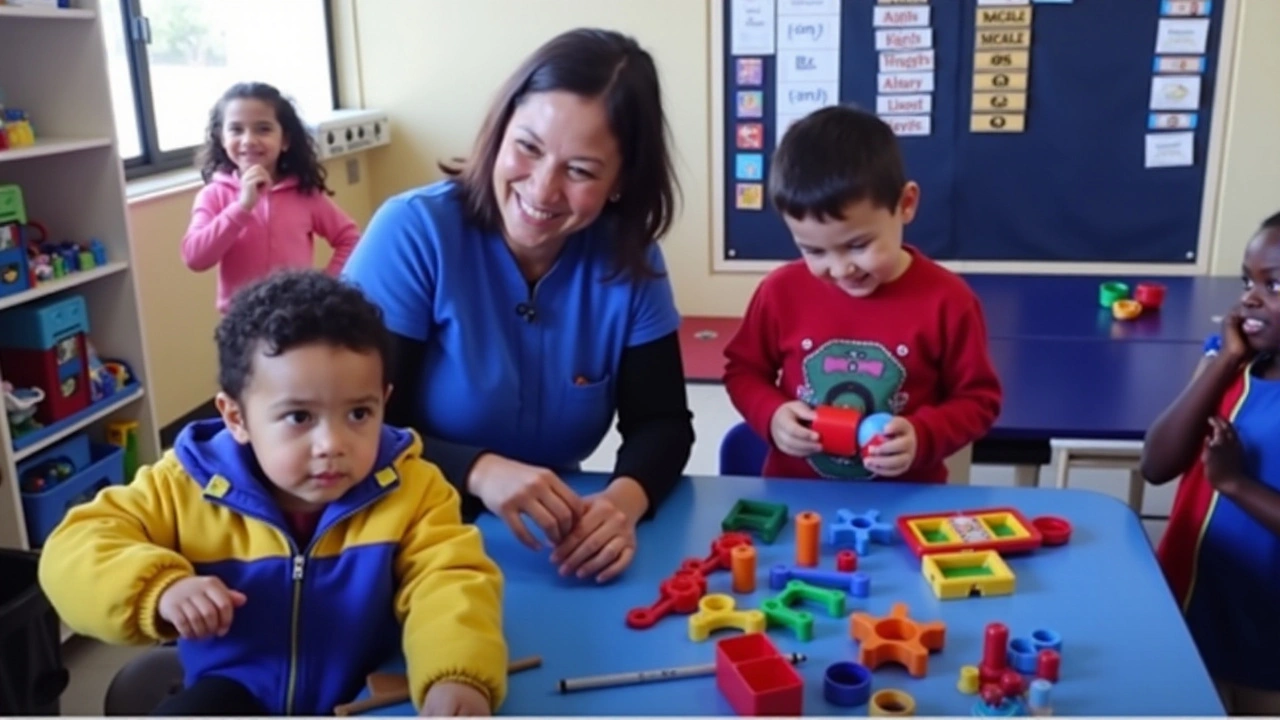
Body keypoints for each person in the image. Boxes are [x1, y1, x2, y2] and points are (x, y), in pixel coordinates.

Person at [37, 271, 507, 717]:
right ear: (236, 417)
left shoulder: (413, 488)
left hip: (367, 690)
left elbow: (450, 581)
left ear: (384, 400)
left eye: (359, 414)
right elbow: (73, 549)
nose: (333, 444)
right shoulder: (185, 484)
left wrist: (457, 674)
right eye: (300, 417)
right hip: (235, 690)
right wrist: (158, 589)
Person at [341, 28, 694, 584]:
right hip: (395, 529)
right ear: (499, 131)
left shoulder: (630, 260)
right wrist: (477, 470)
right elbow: (349, 422)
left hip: (543, 549)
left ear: (620, 182)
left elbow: (663, 423)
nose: (543, 189)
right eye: (528, 147)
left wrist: (622, 503)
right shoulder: (412, 232)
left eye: (580, 171)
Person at [723, 105, 1002, 481]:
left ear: (905, 204)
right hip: (796, 498)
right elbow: (743, 371)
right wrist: (771, 414)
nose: (840, 270)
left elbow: (979, 401)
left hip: (904, 504)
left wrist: (922, 436)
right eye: (814, 251)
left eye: (858, 245)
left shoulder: (949, 301)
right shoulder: (778, 293)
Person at [1141, 213, 1280, 716]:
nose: (1250, 298)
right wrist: (1222, 363)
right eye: (1249, 281)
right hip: (1191, 605)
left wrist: (1233, 483)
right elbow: (1156, 464)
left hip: (1266, 634)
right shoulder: (1232, 363)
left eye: (1275, 284)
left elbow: (1226, 483)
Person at [181, 81, 361, 314]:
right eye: (236, 129)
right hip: (241, 324)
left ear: (285, 140)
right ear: (222, 139)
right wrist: (242, 207)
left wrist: (323, 287)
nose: (248, 140)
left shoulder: (304, 194)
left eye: (263, 129)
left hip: (298, 319)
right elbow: (195, 258)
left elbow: (350, 239)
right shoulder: (213, 195)